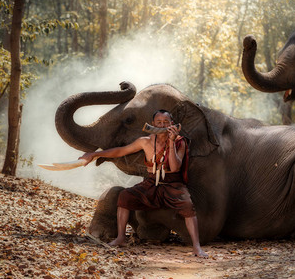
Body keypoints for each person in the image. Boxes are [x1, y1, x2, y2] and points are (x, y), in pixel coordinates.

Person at [79, 109, 207, 257]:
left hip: (173, 184)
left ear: (172, 124)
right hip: (151, 182)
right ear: (153, 124)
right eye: (159, 122)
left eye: (166, 122)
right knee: (124, 197)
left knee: (188, 207)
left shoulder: (180, 142)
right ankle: (121, 238)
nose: (162, 125)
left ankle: (197, 247)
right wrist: (95, 154)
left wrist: (171, 142)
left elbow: (175, 167)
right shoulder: (145, 141)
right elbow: (121, 151)